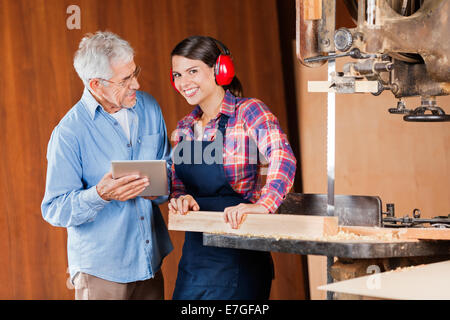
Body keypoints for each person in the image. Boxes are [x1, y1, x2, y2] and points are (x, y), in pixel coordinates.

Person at [41, 31, 173, 300]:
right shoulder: (69, 132)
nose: (136, 84)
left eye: (135, 73)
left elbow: (168, 166)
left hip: (150, 261)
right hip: (101, 271)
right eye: (125, 80)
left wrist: (160, 187)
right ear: (97, 85)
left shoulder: (149, 107)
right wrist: (100, 195)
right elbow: (54, 208)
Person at [168, 35, 297, 300]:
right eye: (178, 75)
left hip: (240, 256)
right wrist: (181, 200)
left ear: (220, 70)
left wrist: (264, 204)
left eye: (193, 71)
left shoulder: (248, 112)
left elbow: (283, 157)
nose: (184, 82)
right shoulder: (184, 128)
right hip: (196, 260)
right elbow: (179, 186)